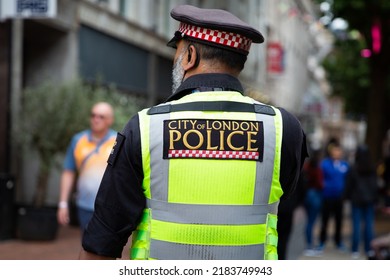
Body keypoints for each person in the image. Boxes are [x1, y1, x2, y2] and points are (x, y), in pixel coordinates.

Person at [79, 4, 308, 260]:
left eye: (177, 51)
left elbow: (102, 243)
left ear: (190, 56)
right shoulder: (283, 128)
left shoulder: (145, 127)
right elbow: (284, 195)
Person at [57, 102, 116, 231]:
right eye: (93, 115)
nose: (96, 119)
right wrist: (63, 204)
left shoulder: (118, 141)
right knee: (86, 245)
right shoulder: (78, 140)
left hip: (110, 207)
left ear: (110, 120)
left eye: (101, 116)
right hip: (84, 205)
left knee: (107, 249)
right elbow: (68, 172)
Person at [344, 145, 379, 259]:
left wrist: (346, 197)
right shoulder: (372, 168)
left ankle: (355, 250)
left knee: (356, 225)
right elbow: (375, 185)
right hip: (369, 200)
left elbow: (349, 185)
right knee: (369, 225)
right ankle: (368, 249)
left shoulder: (354, 168)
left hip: (357, 200)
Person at [318, 142, 349, 252]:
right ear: (331, 152)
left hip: (339, 198)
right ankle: (322, 242)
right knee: (325, 220)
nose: (337, 153)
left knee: (339, 221)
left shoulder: (345, 165)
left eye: (339, 150)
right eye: (335, 150)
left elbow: (347, 180)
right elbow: (321, 178)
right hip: (327, 197)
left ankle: (338, 241)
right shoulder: (325, 164)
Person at [302, 149, 323, 256]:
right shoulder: (318, 169)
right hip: (315, 195)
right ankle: (311, 245)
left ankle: (308, 244)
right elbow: (320, 183)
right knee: (312, 222)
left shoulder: (306, 167)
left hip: (307, 196)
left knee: (308, 222)